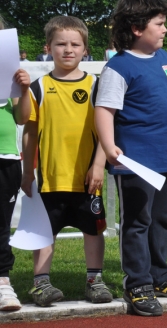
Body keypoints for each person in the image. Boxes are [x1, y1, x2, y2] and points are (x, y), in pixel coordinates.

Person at [95, 0, 167, 317]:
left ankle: (160, 276)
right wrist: (108, 144)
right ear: (138, 28)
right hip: (135, 163)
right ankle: (138, 285)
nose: (165, 29)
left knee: (163, 219)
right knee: (138, 222)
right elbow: (104, 110)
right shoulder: (119, 67)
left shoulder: (166, 59)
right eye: (159, 23)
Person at [21, 16, 112, 307]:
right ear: (48, 47)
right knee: (44, 232)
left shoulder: (96, 85)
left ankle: (94, 280)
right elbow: (29, 133)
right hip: (50, 178)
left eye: (75, 44)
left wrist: (99, 165)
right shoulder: (38, 87)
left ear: (86, 49)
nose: (68, 49)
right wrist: (27, 173)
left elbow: (107, 132)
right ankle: (41, 283)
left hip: (88, 178)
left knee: (93, 229)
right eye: (61, 44)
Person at [0, 16, 31, 311]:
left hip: (5, 159)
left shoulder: (9, 73)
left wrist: (23, 90)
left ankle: (2, 282)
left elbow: (22, 118)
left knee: (1, 225)